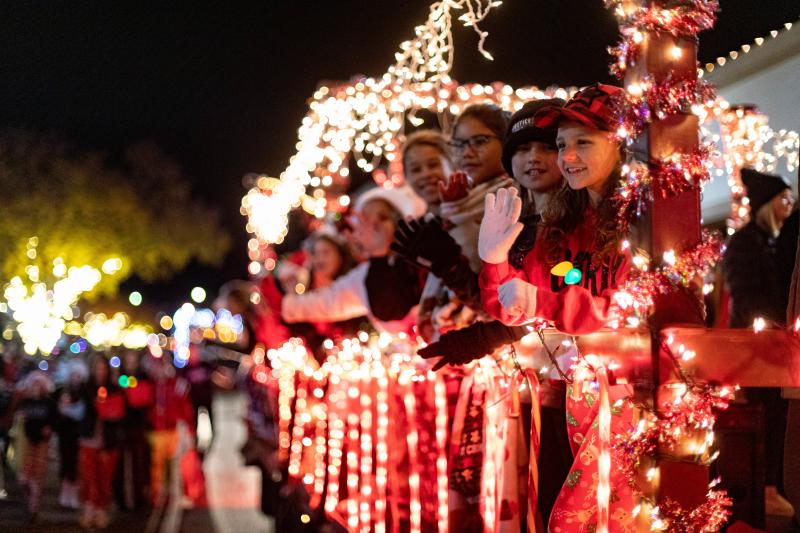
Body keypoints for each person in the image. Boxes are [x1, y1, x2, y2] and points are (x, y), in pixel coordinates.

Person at [478, 84, 636, 532]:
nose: (565, 157)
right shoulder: (562, 225)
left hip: (623, 408)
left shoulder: (640, 220)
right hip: (561, 400)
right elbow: (513, 304)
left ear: (619, 141)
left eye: (580, 143)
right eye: (562, 145)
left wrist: (542, 303)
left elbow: (616, 311)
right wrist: (493, 264)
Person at [723, 167, 795, 512]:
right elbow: (745, 296)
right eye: (783, 199)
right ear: (767, 204)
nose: (789, 205)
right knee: (763, 417)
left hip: (775, 346)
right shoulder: (744, 242)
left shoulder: (776, 242)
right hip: (755, 348)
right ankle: (764, 489)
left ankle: (774, 486)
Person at [280, 185, 426, 335]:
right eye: (367, 220)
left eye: (383, 218)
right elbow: (327, 302)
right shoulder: (363, 276)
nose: (375, 226)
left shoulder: (423, 251)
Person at [79, 353, 126, 529]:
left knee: (104, 478)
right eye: (96, 368)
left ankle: (101, 510)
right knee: (89, 477)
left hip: (108, 441)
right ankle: (89, 509)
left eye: (102, 368)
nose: (100, 371)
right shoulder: (85, 388)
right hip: (89, 440)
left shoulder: (114, 389)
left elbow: (120, 415)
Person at [17, 369, 56, 518]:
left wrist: (49, 428)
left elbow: (54, 419)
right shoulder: (26, 402)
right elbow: (20, 418)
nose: (36, 388)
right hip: (27, 440)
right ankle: (28, 495)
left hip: (42, 442)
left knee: (38, 473)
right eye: (34, 385)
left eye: (39, 385)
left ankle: (34, 506)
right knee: (25, 474)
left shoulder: (48, 403)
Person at [56, 358, 89, 510]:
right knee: (66, 462)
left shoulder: (84, 392)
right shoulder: (64, 391)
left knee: (76, 464)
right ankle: (65, 493)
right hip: (65, 434)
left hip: (78, 434)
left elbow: (83, 412)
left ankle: (74, 494)